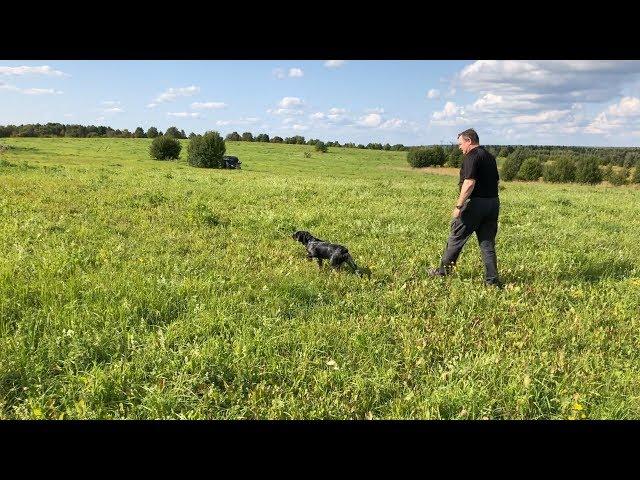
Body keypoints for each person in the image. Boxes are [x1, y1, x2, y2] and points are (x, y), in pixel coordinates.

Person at [428, 128, 502, 288]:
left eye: (460, 144)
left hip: (475, 204)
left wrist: (459, 205)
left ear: (469, 141)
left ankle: (442, 273)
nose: (460, 147)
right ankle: (492, 281)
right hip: (493, 203)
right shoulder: (489, 156)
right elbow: (496, 182)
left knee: (456, 239)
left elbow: (469, 182)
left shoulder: (472, 156)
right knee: (487, 243)